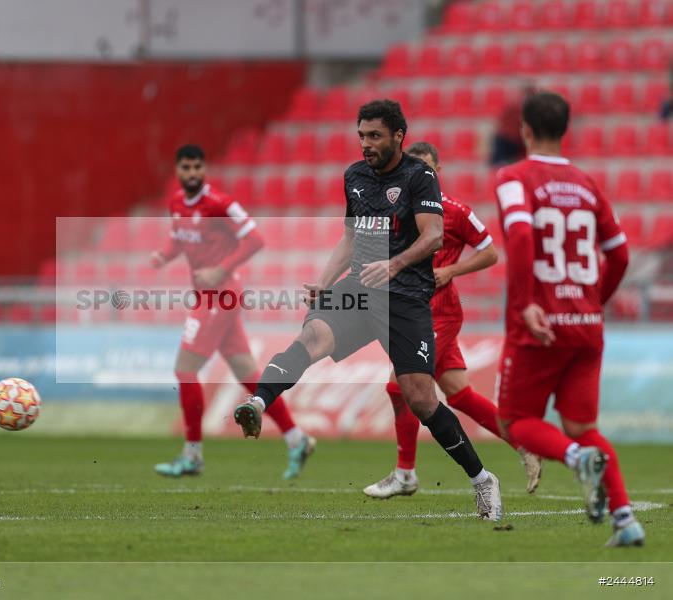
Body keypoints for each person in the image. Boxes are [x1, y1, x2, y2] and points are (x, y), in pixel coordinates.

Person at [233, 100, 503, 521]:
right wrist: (325, 281)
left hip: (405, 296)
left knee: (420, 399)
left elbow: (433, 238)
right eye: (361, 135)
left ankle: (482, 479)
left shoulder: (420, 176)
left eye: (374, 136)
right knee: (311, 337)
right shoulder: (355, 177)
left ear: (398, 136)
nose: (365, 144)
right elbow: (351, 239)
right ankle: (258, 401)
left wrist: (394, 264)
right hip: (360, 287)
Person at [494, 91, 643, 547]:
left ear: (524, 129)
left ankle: (577, 460)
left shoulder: (513, 177)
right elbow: (618, 253)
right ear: (566, 129)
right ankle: (625, 520)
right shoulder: (587, 183)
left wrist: (525, 304)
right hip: (586, 322)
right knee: (582, 425)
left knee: (516, 422)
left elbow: (519, 235)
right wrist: (595, 298)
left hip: (539, 324)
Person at [364, 142, 541, 499]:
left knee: (399, 387)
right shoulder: (397, 211)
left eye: (427, 168)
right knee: (459, 394)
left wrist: (451, 270)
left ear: (438, 171)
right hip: (409, 311)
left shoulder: (456, 212)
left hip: (438, 313)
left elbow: (491, 253)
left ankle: (405, 473)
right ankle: (525, 444)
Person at [150, 144, 315, 479]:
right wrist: (163, 255)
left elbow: (255, 239)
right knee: (248, 375)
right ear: (178, 171)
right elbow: (178, 238)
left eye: (198, 166)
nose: (192, 173)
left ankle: (192, 455)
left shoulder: (221, 205)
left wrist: (220, 269)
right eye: (186, 168)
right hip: (207, 296)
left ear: (204, 168)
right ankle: (297, 439)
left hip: (220, 295)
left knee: (185, 369)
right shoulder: (177, 204)